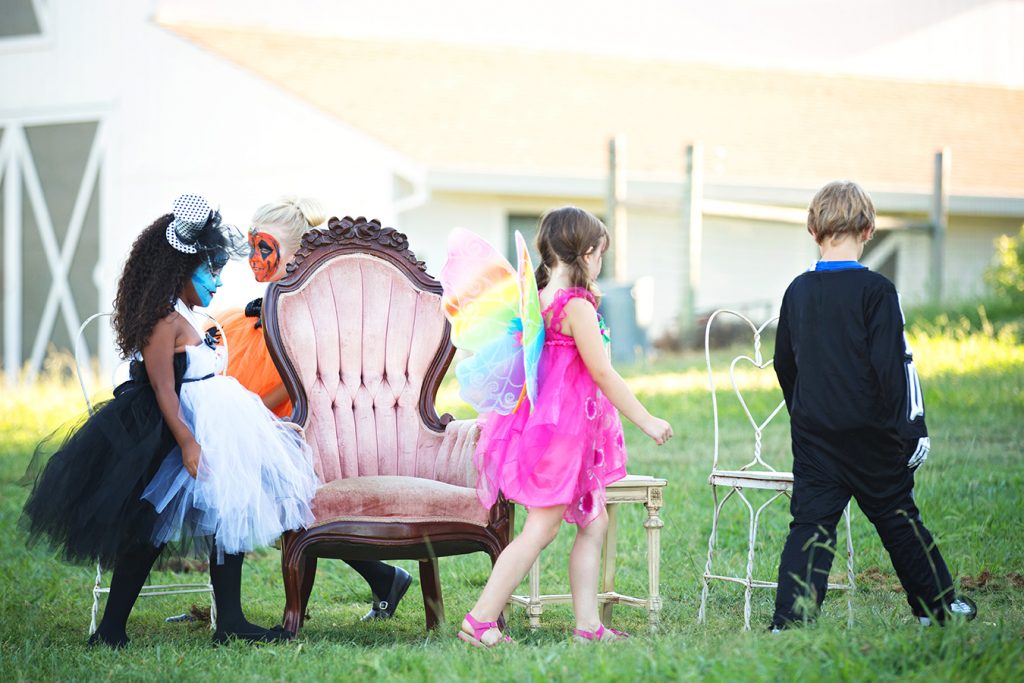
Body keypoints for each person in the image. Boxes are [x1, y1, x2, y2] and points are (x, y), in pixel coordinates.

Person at [21, 195, 319, 647]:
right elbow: (164, 388)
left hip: (214, 423)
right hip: (172, 430)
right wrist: (187, 441)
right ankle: (111, 628)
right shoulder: (162, 320)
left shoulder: (188, 316)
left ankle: (231, 620)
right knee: (152, 523)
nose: (219, 281)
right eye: (210, 271)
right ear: (180, 270)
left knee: (226, 510)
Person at [454, 207, 674, 647]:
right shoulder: (576, 306)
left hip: (562, 433)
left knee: (593, 522)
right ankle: (479, 620)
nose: (600, 262)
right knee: (541, 529)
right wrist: (647, 420)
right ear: (587, 253)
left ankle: (588, 626)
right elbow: (603, 373)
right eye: (600, 254)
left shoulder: (538, 298)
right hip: (564, 437)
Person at [770, 180, 977, 630]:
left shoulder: (797, 290)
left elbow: (784, 362)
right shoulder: (877, 290)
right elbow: (892, 366)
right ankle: (937, 609)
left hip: (815, 435)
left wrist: (804, 411)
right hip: (871, 434)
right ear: (868, 231)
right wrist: (909, 429)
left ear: (813, 230)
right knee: (898, 519)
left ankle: (790, 621)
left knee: (810, 526)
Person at [215, 196, 412, 620]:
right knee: (266, 497)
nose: (253, 258)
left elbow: (295, 381)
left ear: (296, 252)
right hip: (267, 413)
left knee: (271, 494)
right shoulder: (256, 312)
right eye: (250, 246)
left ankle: (239, 611)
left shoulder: (311, 308)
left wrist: (246, 416)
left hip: (305, 421)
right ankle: (381, 577)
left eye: (264, 247)